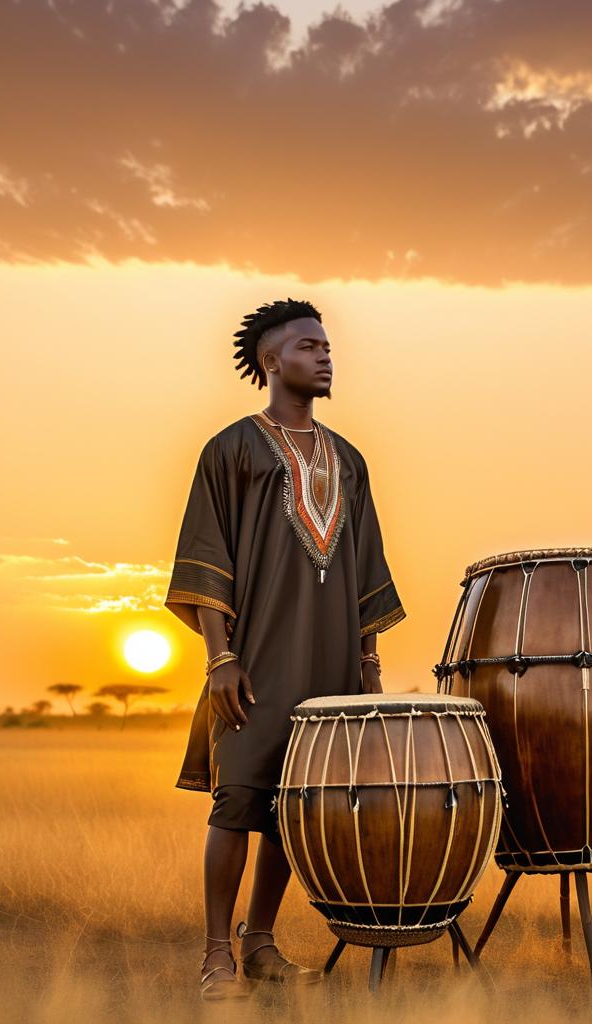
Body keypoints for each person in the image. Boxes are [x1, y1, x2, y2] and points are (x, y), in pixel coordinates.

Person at [163, 297, 406, 999]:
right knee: (238, 795)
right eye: (308, 346)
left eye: (328, 345)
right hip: (256, 659)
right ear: (272, 361)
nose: (325, 355)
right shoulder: (232, 449)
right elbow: (206, 555)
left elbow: (365, 567)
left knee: (293, 810)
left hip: (330, 664)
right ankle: (216, 956)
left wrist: (368, 668)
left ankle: (262, 942)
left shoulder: (350, 461)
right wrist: (219, 658)